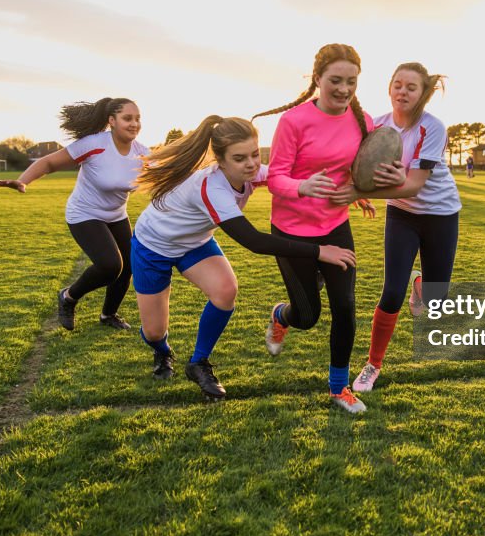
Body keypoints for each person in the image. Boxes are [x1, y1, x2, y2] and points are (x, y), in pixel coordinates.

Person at [131, 116, 356, 401]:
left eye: (254, 154)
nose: (250, 164)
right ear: (221, 161)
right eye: (239, 158)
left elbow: (287, 180)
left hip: (194, 244)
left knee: (226, 291)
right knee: (153, 332)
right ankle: (162, 353)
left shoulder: (251, 173)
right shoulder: (212, 187)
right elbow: (254, 241)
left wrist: (346, 192)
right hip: (154, 246)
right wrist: (319, 252)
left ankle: (198, 363)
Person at [252, 43, 405, 414]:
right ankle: (281, 317)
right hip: (290, 230)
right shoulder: (294, 121)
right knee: (308, 316)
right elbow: (276, 179)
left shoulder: (362, 120)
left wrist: (364, 191)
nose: (343, 89)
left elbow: (359, 169)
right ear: (317, 78)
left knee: (346, 307)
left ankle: (339, 389)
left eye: (351, 81)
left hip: (335, 227)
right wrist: (300, 187)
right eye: (335, 80)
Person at [326, 63, 461, 393]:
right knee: (391, 292)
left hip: (441, 214)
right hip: (401, 215)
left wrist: (360, 192)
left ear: (423, 94)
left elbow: (413, 185)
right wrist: (359, 191)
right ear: (389, 89)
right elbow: (358, 165)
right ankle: (373, 365)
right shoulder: (377, 126)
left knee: (437, 299)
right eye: (397, 85)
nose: (403, 92)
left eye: (411, 87)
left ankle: (422, 287)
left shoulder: (433, 128)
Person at [0, 97, 148, 331]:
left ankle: (109, 315)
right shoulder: (93, 144)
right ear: (112, 121)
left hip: (116, 215)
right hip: (84, 214)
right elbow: (49, 163)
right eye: (127, 118)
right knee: (110, 265)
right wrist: (23, 181)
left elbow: (170, 173)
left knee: (129, 265)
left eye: (137, 119)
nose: (134, 124)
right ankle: (68, 297)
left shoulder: (142, 153)